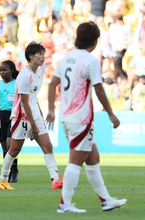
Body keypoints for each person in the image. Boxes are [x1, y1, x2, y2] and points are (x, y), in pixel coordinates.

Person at [46, 21, 127, 213]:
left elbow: (51, 84)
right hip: (81, 119)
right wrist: (111, 114)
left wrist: (51, 110)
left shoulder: (67, 57)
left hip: (66, 116)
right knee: (76, 161)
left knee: (93, 158)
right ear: (96, 40)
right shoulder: (90, 60)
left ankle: (106, 200)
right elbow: (98, 89)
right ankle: (64, 204)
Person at [0, 42, 63, 190]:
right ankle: (2, 180)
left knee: (48, 146)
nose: (43, 57)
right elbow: (25, 103)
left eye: (43, 54)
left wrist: (39, 116)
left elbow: (33, 98)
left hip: (34, 115)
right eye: (39, 54)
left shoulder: (39, 72)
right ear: (31, 56)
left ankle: (56, 180)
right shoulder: (25, 75)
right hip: (21, 117)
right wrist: (33, 125)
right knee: (14, 150)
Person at [0, 60, 19, 183]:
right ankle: (8, 171)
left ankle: (13, 171)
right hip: (0, 116)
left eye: (5, 70)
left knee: (10, 145)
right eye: (0, 70)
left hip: (12, 116)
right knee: (4, 147)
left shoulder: (17, 84)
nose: (2, 72)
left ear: (11, 70)